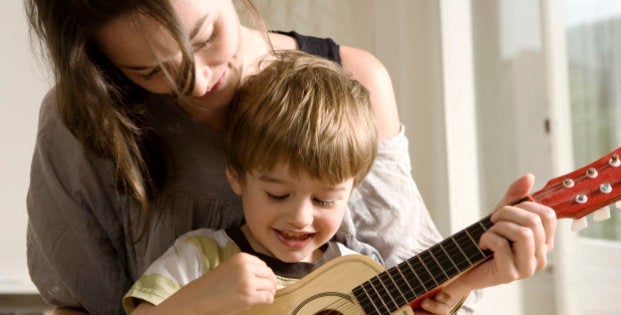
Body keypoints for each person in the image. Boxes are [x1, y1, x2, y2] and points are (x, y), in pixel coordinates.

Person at [24, 0, 557, 314]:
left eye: (207, 37)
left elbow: (400, 289)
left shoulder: (351, 85)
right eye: (151, 71)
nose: (200, 81)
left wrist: (470, 277)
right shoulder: (84, 119)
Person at [123, 50, 380, 314]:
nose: (300, 218)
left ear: (351, 191)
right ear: (236, 176)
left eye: (324, 200)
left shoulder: (360, 276)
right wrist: (202, 298)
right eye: (277, 194)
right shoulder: (201, 258)